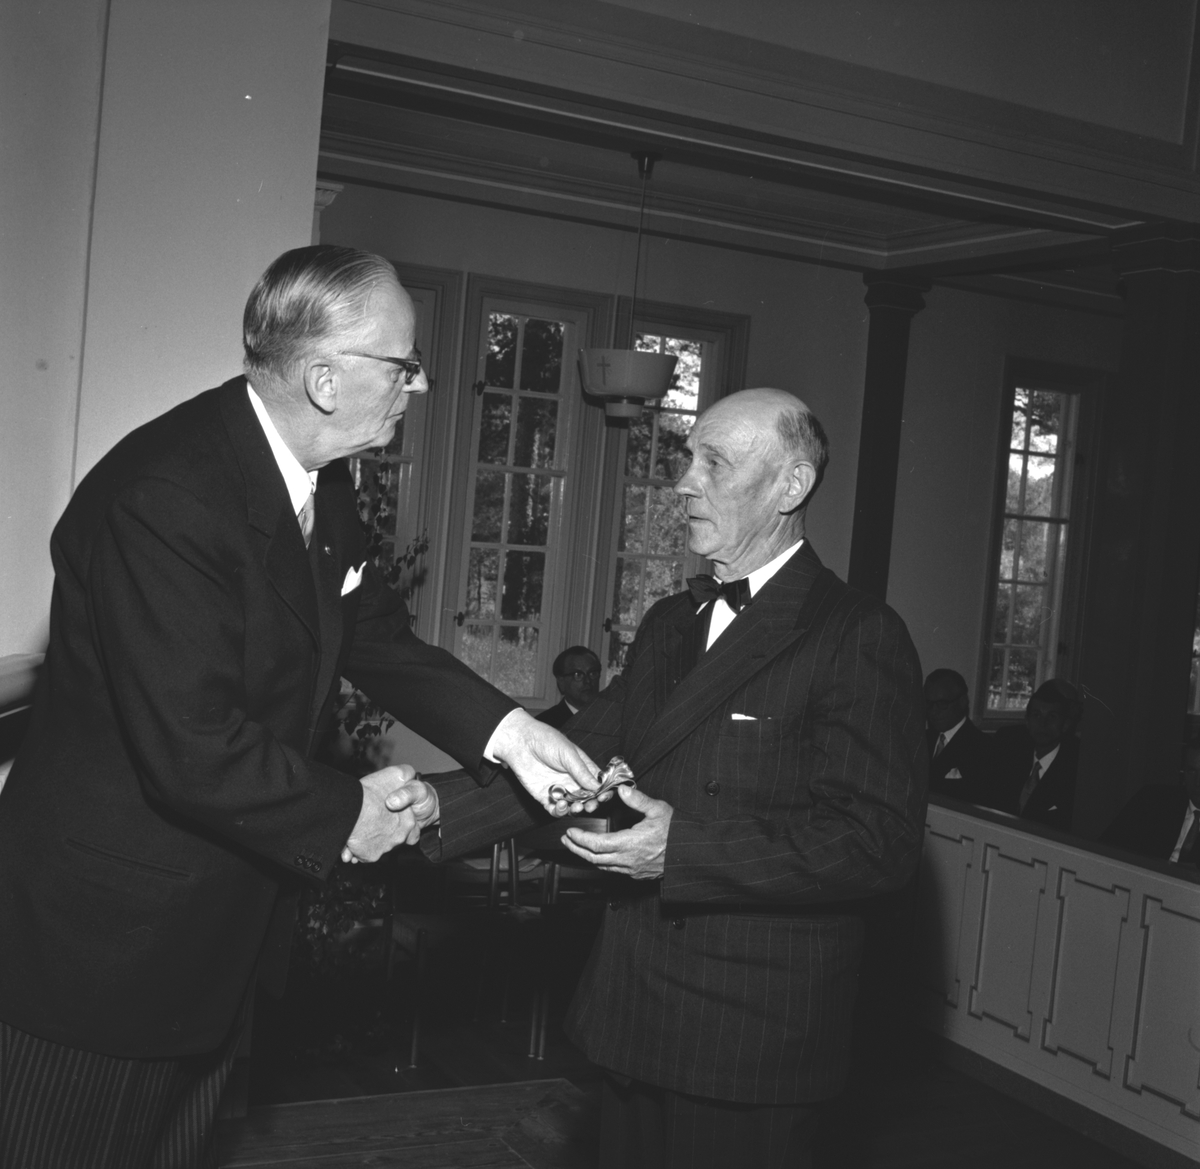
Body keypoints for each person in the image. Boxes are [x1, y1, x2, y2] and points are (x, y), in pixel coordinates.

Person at [0, 246, 601, 1169]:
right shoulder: (167, 494)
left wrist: (516, 734)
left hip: (208, 940)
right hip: (99, 951)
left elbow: (377, 638)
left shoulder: (323, 480)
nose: (417, 385)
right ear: (324, 379)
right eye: (403, 364)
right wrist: (349, 811)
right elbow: (193, 743)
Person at [422, 388, 928, 1168]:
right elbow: (573, 754)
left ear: (791, 485)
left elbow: (877, 843)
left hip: (748, 1033)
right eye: (688, 459)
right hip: (638, 1004)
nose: (684, 482)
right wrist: (427, 809)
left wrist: (681, 850)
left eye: (713, 463)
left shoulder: (855, 633)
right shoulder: (669, 624)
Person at [988, 678, 1080, 832]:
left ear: (1065, 725)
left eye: (1052, 716)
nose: (1043, 724)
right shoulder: (1010, 749)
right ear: (1027, 721)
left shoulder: (1076, 766)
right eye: (1036, 715)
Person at [1100, 741, 1200, 867]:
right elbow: (1106, 846)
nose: (1198, 781)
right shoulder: (1152, 801)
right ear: (1183, 772)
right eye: (1192, 771)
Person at [924, 668, 993, 803]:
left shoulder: (983, 747)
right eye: (929, 704)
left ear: (962, 701)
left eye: (942, 704)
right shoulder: (921, 740)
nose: (933, 711)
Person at [537, 645, 602, 728]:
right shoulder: (544, 725)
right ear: (561, 682)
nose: (588, 681)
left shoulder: (609, 719)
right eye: (578, 675)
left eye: (593, 673)